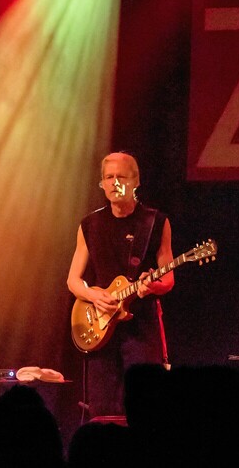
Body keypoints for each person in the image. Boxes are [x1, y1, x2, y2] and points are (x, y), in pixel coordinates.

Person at [66, 152, 174, 417]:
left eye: (121, 177)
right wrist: (94, 295)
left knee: (144, 403)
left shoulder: (155, 222)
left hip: (141, 327)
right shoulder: (89, 224)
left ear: (136, 181)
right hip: (100, 326)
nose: (114, 183)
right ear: (102, 183)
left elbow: (168, 278)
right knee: (101, 407)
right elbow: (72, 280)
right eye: (108, 177)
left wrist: (152, 287)